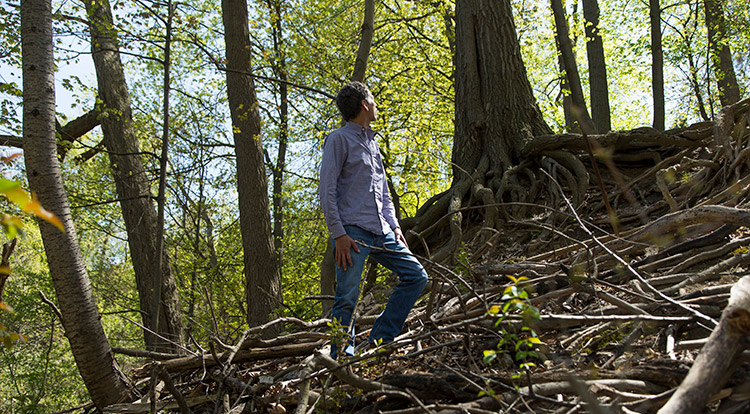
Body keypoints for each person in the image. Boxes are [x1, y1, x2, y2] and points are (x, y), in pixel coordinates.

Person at [319, 81, 429, 358]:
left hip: (383, 230)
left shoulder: (372, 143)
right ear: (364, 105)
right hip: (352, 234)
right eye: (373, 99)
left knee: (416, 276)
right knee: (346, 298)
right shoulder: (338, 139)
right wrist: (339, 234)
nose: (376, 103)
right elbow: (327, 190)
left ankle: (381, 338)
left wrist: (395, 226)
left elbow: (383, 191)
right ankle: (341, 356)